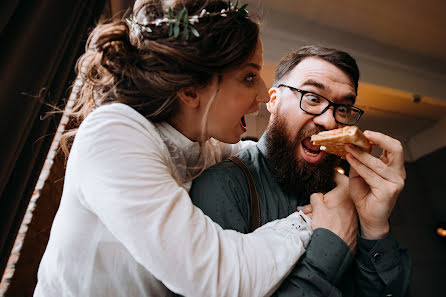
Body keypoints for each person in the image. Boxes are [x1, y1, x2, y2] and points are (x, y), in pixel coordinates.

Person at [34, 1, 315, 297]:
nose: (261, 93)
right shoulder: (114, 133)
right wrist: (309, 221)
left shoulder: (202, 145)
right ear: (190, 91)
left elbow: (259, 156)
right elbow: (217, 276)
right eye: (248, 77)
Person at [190, 45, 412, 296]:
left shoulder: (353, 193)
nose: (329, 121)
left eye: (342, 109)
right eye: (313, 98)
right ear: (273, 101)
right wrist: (331, 246)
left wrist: (375, 227)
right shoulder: (222, 186)